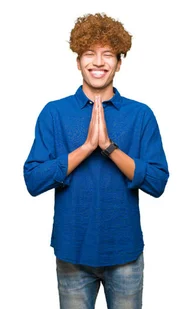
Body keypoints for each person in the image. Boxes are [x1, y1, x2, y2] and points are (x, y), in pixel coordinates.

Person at [23, 13, 169, 309]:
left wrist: (109, 148)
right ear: (78, 61)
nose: (99, 62)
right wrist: (87, 147)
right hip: (72, 253)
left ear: (119, 62)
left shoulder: (140, 115)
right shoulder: (54, 113)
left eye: (108, 54)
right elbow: (33, 180)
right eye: (89, 54)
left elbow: (157, 182)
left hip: (125, 253)